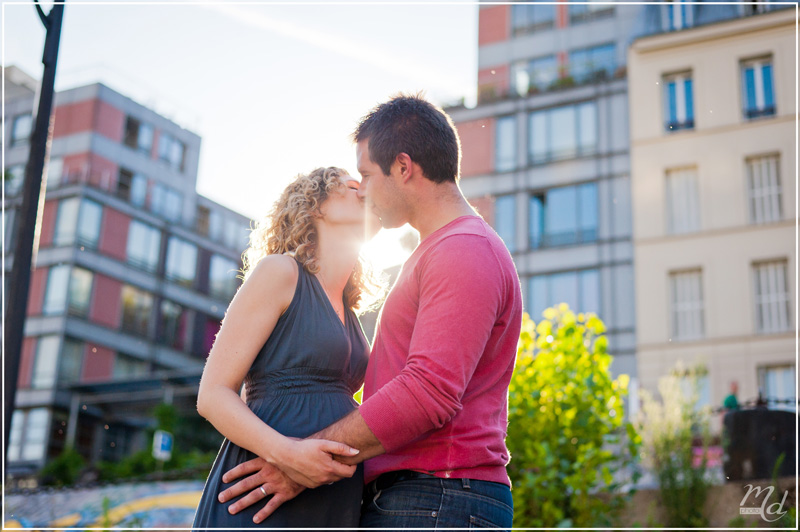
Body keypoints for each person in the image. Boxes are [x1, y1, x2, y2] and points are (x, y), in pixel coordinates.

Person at [218, 94, 523, 528]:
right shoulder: (438, 251)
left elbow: (427, 394)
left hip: (437, 495)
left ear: (403, 167)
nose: (364, 189)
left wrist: (302, 465)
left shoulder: (462, 250)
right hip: (425, 496)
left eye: (366, 174)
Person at [192, 167, 382, 528]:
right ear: (316, 207)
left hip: (329, 499)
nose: (365, 193)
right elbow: (212, 394)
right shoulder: (280, 272)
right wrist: (289, 456)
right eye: (353, 186)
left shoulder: (351, 310)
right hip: (260, 492)